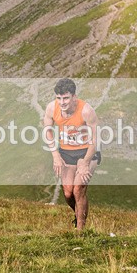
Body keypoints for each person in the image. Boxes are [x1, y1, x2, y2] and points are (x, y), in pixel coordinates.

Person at [43, 78, 100, 231]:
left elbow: (95, 140)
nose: (62, 102)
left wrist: (86, 161)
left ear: (74, 96)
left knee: (78, 189)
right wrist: (55, 155)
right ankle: (78, 214)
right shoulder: (51, 108)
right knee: (68, 193)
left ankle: (80, 231)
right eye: (59, 98)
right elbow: (47, 131)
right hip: (66, 152)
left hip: (87, 151)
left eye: (66, 98)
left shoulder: (86, 110)